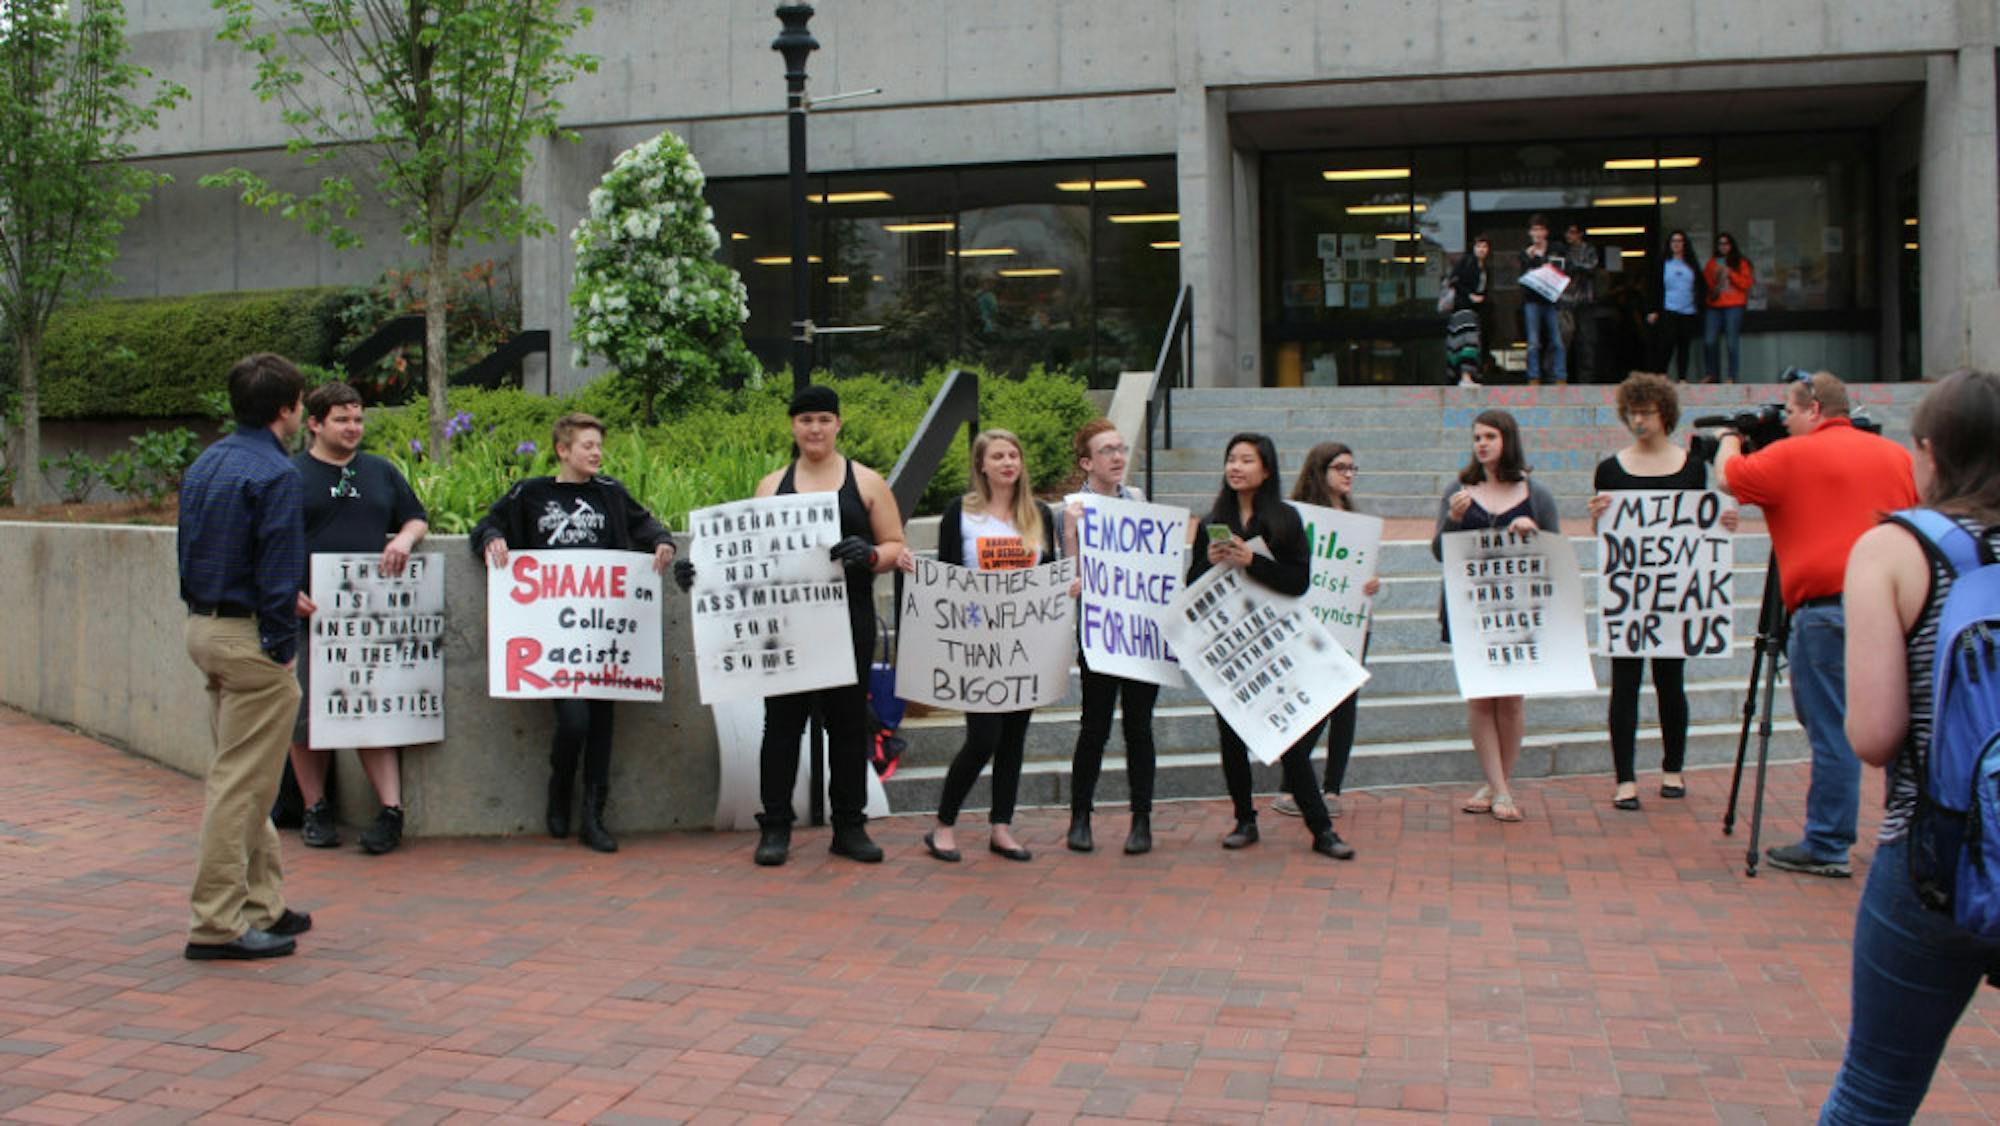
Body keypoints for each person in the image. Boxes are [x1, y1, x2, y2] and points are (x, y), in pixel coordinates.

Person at [1817, 370, 2000, 1123]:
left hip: (1936, 851)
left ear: (1929, 452)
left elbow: (1873, 733)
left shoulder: (1896, 549)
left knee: (1875, 1092)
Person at [674, 384, 907, 867]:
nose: (815, 428)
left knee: (846, 727)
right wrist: (701, 572)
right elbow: (746, 554)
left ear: (838, 424)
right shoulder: (770, 485)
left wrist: (867, 554)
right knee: (781, 726)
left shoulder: (866, 482)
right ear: (793, 426)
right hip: (784, 626)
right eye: (805, 420)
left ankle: (850, 826)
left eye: (824, 419)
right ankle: (775, 826)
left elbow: (895, 546)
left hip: (847, 621)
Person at [1715, 371, 1917, 876]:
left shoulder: (1790, 455)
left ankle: (1828, 842)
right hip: (1894, 608)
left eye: (1789, 411)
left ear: (1815, 410)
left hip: (1824, 611)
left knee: (1832, 730)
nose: (1784, 422)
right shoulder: (1895, 456)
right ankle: (1908, 836)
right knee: (1905, 728)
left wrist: (1729, 440)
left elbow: (1728, 478)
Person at [470, 412, 677, 854]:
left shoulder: (611, 494)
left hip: (602, 633)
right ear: (563, 450)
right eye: (587, 446)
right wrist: (492, 539)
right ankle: (560, 784)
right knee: (574, 719)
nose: (596, 453)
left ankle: (593, 817)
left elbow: (648, 526)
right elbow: (486, 526)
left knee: (602, 724)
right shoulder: (531, 493)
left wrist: (663, 542)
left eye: (599, 445)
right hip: (551, 639)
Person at [177, 353, 314, 960]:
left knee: (246, 778)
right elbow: (278, 564)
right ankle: (216, 924)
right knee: (238, 788)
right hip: (251, 639)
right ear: (288, 410)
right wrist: (282, 646)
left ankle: (264, 905)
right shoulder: (276, 473)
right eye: (301, 401)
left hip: (205, 628)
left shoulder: (208, 462)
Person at [1189, 433, 1352, 860]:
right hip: (1229, 647)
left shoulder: (1284, 519)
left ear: (1266, 469)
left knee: (1291, 739)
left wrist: (1253, 562)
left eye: (1246, 460)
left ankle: (1321, 829)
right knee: (1231, 738)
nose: (1236, 467)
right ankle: (1244, 819)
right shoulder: (1213, 519)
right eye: (1231, 459)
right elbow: (1191, 587)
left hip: (1275, 646)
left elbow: (1298, 582)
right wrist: (1208, 560)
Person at [287, 382, 429, 856]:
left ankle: (391, 812)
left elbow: (416, 517)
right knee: (305, 719)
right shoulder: (290, 475)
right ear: (314, 423)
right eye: (342, 420)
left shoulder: (380, 471)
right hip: (310, 614)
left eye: (358, 420)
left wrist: (404, 540)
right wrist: (286, 591)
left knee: (373, 713)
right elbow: (265, 541)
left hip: (370, 617)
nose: (353, 428)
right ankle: (316, 808)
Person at [906, 429, 1060, 863]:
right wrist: (916, 570)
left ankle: (1001, 827)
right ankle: (943, 825)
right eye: (998, 456)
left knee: (1014, 738)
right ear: (981, 466)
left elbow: (1046, 574)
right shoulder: (961, 513)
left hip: (1025, 642)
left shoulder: (1039, 515)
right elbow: (949, 575)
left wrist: (1065, 588)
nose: (1008, 462)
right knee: (983, 738)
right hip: (977, 643)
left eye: (1014, 454)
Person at [1586, 374, 1737, 810]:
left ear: (1665, 414)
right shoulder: (1610, 469)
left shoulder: (1692, 466)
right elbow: (1609, 536)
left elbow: (1703, 523)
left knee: (1672, 682)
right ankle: (1625, 778)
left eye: (1647, 412)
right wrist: (1597, 518)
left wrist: (1724, 524)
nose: (1638, 421)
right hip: (1631, 593)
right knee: (1625, 685)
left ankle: (1673, 767)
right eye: (1632, 412)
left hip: (1674, 595)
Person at [1432, 409, 1561, 823]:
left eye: (1490, 436)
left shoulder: (1535, 494)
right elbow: (1439, 552)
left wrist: (1533, 531)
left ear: (1508, 440)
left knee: (1511, 701)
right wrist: (1453, 521)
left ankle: (1496, 783)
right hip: (1471, 610)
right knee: (1480, 698)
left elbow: (1556, 554)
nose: (1482, 444)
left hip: (1519, 612)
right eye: (1476, 437)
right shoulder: (1459, 490)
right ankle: (1502, 789)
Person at [1061, 419, 1161, 856]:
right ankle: (1080, 816)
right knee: (1094, 728)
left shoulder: (1138, 500)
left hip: (1139, 631)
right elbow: (1069, 576)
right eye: (1107, 451)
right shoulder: (1074, 508)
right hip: (1100, 632)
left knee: (1139, 729)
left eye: (1120, 448)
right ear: (1087, 462)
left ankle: (1142, 820)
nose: (1118, 457)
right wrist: (1070, 537)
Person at [1271, 441, 1379, 829]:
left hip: (1350, 621)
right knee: (1310, 702)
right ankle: (1293, 783)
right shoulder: (1295, 517)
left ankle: (1333, 787)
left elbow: (1359, 572)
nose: (1348, 474)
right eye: (1340, 467)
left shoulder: (1354, 518)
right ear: (1320, 470)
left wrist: (1369, 585)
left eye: (1352, 468)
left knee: (1345, 701)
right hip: (1309, 622)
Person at [1646, 230, 1706, 381]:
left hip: (1688, 311)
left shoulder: (1691, 265)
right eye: (1673, 241)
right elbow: (1654, 287)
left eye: (1680, 241)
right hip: (1669, 309)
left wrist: (1699, 305)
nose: (1676, 244)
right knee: (1667, 343)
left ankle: (1682, 377)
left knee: (1684, 346)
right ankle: (1662, 374)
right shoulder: (1663, 264)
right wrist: (1653, 309)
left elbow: (1700, 286)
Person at [1519, 215, 1568, 385]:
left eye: (1540, 229)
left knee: (1557, 340)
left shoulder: (1556, 249)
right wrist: (1530, 259)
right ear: (1530, 233)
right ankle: (1534, 376)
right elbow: (1523, 279)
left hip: (1551, 301)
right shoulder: (1525, 253)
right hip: (1532, 301)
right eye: (1534, 230)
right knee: (1533, 341)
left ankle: (1560, 375)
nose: (1537, 233)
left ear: (1546, 232)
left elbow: (1565, 269)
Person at [1702, 232, 1754, 384]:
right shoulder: (1712, 263)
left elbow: (1746, 284)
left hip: (1734, 305)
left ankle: (1732, 376)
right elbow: (1706, 284)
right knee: (1709, 340)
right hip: (1714, 305)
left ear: (1731, 246)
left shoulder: (1741, 262)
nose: (1723, 247)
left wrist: (1730, 273)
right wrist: (1716, 276)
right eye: (1720, 244)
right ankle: (1711, 374)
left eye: (1726, 244)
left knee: (1731, 343)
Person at [1558, 222, 1602, 382]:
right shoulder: (1564, 251)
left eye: (1572, 232)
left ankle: (1586, 379)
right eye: (1567, 233)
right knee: (1564, 339)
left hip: (1585, 301)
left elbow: (1591, 267)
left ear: (1580, 234)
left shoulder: (1589, 250)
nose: (1569, 236)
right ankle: (1561, 376)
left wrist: (1574, 267)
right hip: (1566, 300)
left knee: (1586, 341)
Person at [1447, 236, 1491, 386]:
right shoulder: (1467, 262)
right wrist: (1469, 295)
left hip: (1474, 311)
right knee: (1467, 343)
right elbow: (1454, 280)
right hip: (1463, 310)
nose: (1482, 250)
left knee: (1470, 343)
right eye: (1479, 246)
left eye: (1485, 247)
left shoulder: (1484, 268)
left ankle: (1467, 376)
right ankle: (1465, 377)